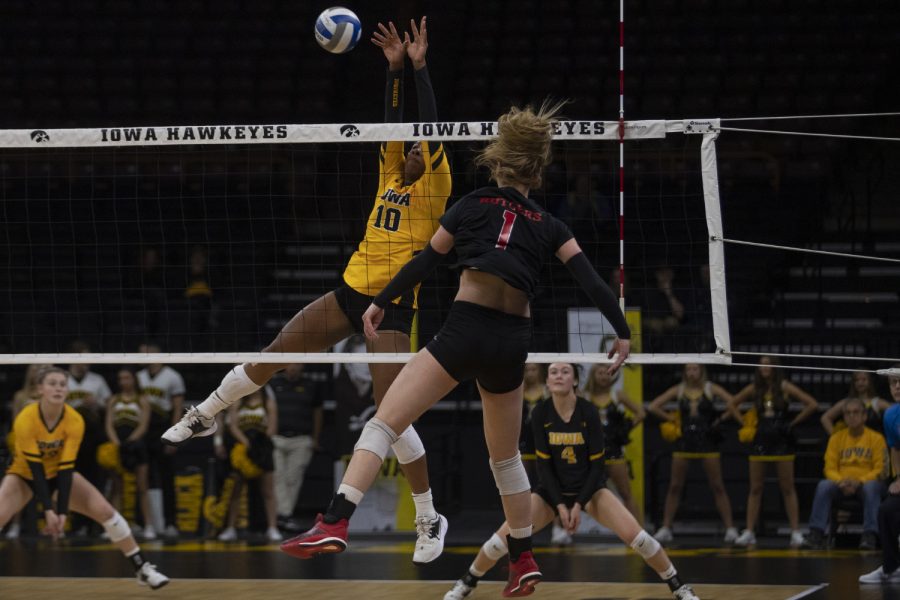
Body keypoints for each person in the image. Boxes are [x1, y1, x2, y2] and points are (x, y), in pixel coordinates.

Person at [282, 99, 630, 600]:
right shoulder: (551, 224)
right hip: (511, 343)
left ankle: (335, 521)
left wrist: (380, 302)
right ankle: (523, 558)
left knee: (385, 423)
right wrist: (620, 329)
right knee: (506, 459)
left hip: (464, 331)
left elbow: (425, 262)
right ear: (537, 168)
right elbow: (592, 281)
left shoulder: (470, 205)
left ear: (498, 159)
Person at [162, 16, 453, 564]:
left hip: (392, 306)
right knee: (275, 354)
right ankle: (205, 413)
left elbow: (427, 124)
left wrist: (419, 67)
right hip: (349, 292)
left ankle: (428, 515)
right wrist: (392, 70)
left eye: (421, 146)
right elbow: (391, 122)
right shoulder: (393, 171)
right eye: (410, 145)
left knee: (392, 414)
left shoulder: (435, 182)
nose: (413, 146)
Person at [444, 363, 697, 600]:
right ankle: (465, 583)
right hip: (550, 492)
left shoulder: (589, 411)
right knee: (500, 541)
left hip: (590, 489)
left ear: (575, 380)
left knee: (640, 538)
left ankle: (680, 588)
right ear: (547, 379)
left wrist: (577, 504)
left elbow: (598, 466)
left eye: (565, 372)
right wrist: (561, 506)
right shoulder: (542, 412)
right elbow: (544, 467)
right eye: (553, 372)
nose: (558, 376)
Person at [0, 367, 168, 589]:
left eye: (62, 384)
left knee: (107, 512)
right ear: (40, 389)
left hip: (59, 473)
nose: (58, 388)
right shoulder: (26, 418)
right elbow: (36, 469)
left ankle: (142, 568)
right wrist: (49, 511)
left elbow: (66, 468)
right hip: (24, 475)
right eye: (52, 383)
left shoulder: (74, 420)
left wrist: (61, 513)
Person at [729, 356, 818, 547]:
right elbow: (732, 404)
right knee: (756, 488)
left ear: (775, 367)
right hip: (760, 438)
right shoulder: (754, 388)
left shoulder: (784, 386)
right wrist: (745, 423)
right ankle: (749, 531)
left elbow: (811, 404)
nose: (764, 367)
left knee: (787, 487)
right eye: (761, 364)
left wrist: (792, 422)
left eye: (768, 364)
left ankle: (795, 532)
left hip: (781, 440)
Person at [648, 363, 740, 544]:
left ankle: (730, 528)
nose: (692, 372)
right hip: (685, 441)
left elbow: (734, 402)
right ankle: (666, 527)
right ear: (684, 372)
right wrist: (671, 419)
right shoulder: (679, 389)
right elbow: (653, 406)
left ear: (701, 371)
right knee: (675, 486)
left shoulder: (710, 388)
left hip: (707, 441)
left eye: (695, 369)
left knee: (717, 485)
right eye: (688, 369)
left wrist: (720, 419)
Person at [802, 396, 886, 550]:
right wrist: (842, 481)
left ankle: (869, 536)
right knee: (823, 485)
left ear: (864, 416)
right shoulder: (836, 438)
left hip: (865, 484)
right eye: (847, 413)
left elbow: (881, 469)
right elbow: (829, 468)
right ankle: (816, 534)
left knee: (872, 487)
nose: (852, 416)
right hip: (842, 484)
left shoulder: (877, 439)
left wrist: (859, 481)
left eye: (855, 412)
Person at [218, 389, 282, 542]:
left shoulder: (268, 402)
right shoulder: (239, 402)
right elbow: (232, 426)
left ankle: (272, 527)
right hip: (242, 448)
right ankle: (230, 528)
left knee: (268, 490)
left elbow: (272, 427)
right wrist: (245, 442)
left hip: (262, 449)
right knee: (236, 489)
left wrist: (260, 445)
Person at [584, 362, 645, 521]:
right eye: (600, 373)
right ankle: (563, 531)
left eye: (607, 373)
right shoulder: (584, 397)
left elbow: (641, 413)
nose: (604, 376)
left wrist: (625, 429)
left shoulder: (617, 395)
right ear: (593, 375)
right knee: (581, 494)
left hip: (614, 452)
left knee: (626, 493)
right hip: (591, 453)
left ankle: (640, 534)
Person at [138, 343, 186, 538]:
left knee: (167, 478)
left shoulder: (173, 376)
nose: (143, 357)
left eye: (146, 353)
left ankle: (170, 523)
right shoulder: (139, 376)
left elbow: (177, 408)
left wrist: (174, 435)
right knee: (142, 479)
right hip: (143, 430)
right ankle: (144, 523)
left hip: (163, 428)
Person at [269, 364, 323, 530]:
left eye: (296, 364)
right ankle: (283, 516)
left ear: (302, 366)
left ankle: (283, 516)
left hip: (301, 439)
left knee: (293, 478)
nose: (292, 368)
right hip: (277, 438)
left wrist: (315, 438)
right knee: (277, 477)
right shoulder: (272, 384)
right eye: (289, 364)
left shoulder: (311, 385)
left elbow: (318, 412)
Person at [104, 368, 155, 540]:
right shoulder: (113, 400)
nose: (123, 381)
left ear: (134, 379)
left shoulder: (142, 400)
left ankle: (148, 525)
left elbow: (144, 424)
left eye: (127, 377)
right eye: (120, 378)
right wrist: (116, 442)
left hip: (136, 445)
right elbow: (109, 424)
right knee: (117, 487)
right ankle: (114, 528)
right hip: (118, 444)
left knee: (142, 487)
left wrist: (131, 441)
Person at [860, 367, 900, 584]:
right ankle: (891, 567)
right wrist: (899, 478)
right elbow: (896, 449)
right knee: (886, 511)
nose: (897, 386)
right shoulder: (891, 415)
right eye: (893, 382)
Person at [821, 370, 891, 435]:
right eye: (857, 380)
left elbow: (896, 413)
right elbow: (825, 418)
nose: (860, 383)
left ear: (869, 382)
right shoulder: (846, 402)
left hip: (872, 443)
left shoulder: (877, 402)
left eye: (864, 380)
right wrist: (836, 438)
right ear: (853, 383)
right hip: (850, 445)